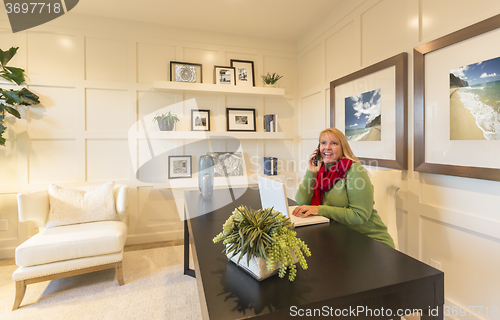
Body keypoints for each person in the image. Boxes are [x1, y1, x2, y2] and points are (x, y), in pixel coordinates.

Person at [292, 128, 395, 248]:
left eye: (334, 143)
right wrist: (311, 173)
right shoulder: (320, 169)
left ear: (343, 148)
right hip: (339, 238)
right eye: (323, 143)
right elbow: (302, 201)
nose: (327, 147)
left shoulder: (354, 170)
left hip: (369, 241)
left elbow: (359, 215)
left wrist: (319, 210)